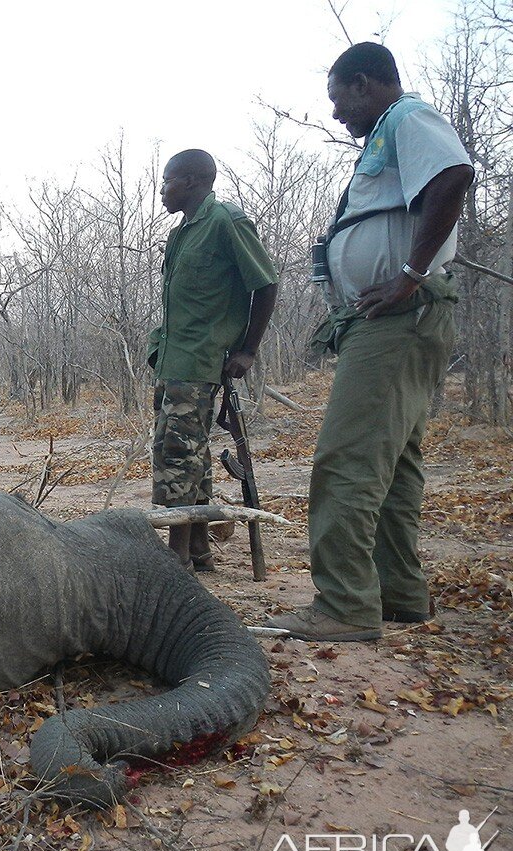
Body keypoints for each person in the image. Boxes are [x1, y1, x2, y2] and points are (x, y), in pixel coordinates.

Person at [266, 42, 473, 641]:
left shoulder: (409, 117)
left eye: (338, 99)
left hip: (398, 321)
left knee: (347, 457)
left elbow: (455, 174)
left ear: (363, 83)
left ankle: (345, 605)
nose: (336, 114)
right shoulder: (388, 134)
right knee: (394, 461)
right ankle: (398, 593)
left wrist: (410, 274)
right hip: (389, 323)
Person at [149, 149, 279, 571]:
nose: (162, 190)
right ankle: (200, 550)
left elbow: (265, 283)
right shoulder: (180, 233)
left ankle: (178, 559)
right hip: (174, 360)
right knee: (192, 456)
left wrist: (248, 350)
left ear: (190, 180)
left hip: (202, 360)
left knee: (178, 457)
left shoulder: (225, 221)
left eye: (166, 180)